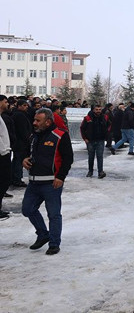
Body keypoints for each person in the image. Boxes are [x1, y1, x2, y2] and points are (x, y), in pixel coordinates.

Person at [21, 108, 74, 255]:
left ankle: (54, 243)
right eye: (34, 120)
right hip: (33, 183)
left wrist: (60, 177)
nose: (34, 123)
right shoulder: (33, 136)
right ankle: (43, 234)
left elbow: (68, 158)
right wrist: (24, 160)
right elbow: (26, 153)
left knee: (54, 214)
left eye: (38, 120)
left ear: (48, 121)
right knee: (27, 209)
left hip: (51, 183)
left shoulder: (60, 135)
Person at [80, 104, 110, 178]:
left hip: (100, 140)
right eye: (96, 109)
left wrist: (106, 134)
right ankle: (90, 171)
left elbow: (109, 125)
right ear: (93, 110)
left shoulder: (105, 117)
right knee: (91, 157)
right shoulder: (87, 118)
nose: (98, 111)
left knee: (100, 156)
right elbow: (82, 128)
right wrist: (85, 138)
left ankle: (100, 171)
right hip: (90, 140)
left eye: (99, 109)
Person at [11, 99, 32, 187]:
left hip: (19, 142)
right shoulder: (19, 115)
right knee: (18, 160)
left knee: (18, 160)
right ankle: (16, 179)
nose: (26, 107)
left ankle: (15, 178)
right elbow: (22, 130)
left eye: (26, 105)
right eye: (24, 105)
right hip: (20, 143)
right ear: (19, 106)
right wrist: (27, 138)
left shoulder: (21, 114)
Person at [0, 95, 14, 219]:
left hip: (4, 152)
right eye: (5, 102)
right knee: (3, 180)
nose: (7, 104)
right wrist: (3, 151)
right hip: (2, 154)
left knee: (4, 181)